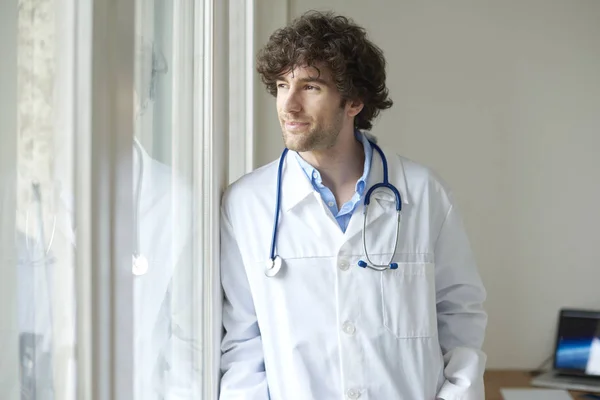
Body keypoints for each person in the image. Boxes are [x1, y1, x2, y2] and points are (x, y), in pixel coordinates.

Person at [219, 10, 487, 400]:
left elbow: (460, 318)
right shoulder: (247, 204)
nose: (288, 105)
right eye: (281, 85)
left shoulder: (424, 193)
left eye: (310, 87)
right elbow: (242, 347)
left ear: (354, 101)